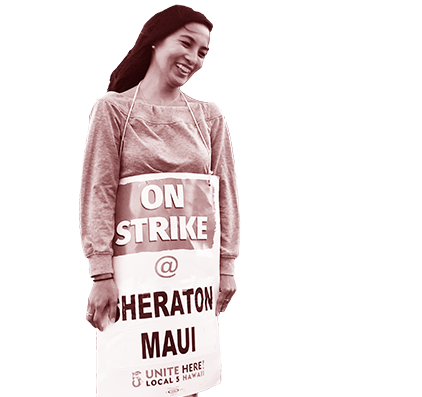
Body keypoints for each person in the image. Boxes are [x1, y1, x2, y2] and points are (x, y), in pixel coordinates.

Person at [79, 6, 239, 396]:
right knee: (134, 379)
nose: (193, 58)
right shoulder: (112, 109)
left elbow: (225, 194)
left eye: (202, 52)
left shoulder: (208, 118)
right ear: (155, 39)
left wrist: (227, 266)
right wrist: (100, 273)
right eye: (186, 43)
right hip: (132, 284)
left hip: (191, 284)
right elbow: (98, 190)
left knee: (187, 378)